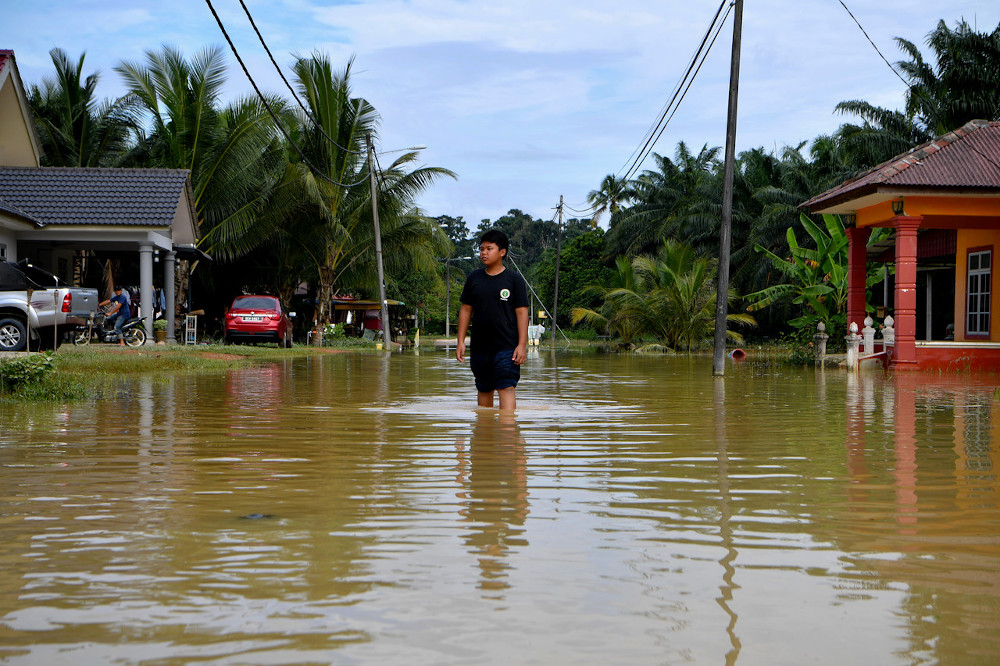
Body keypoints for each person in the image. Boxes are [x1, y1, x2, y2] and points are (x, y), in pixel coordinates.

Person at [456, 229, 529, 410]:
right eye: (481, 249)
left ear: (502, 252)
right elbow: (465, 310)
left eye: (489, 248)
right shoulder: (474, 278)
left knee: (506, 387)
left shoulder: (514, 280)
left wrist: (522, 345)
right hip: (480, 348)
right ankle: (484, 433)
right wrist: (460, 341)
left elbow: (522, 313)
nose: (484, 253)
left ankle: (507, 434)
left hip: (506, 347)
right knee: (484, 388)